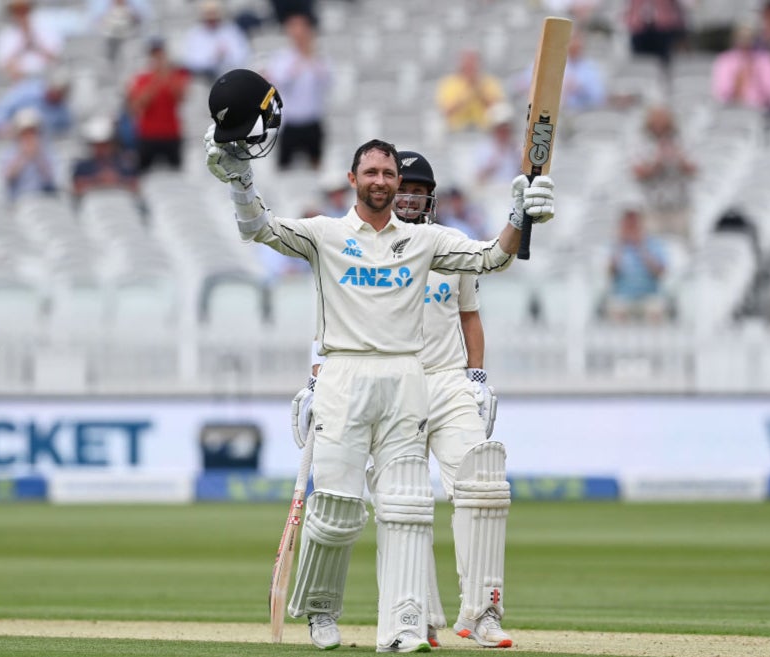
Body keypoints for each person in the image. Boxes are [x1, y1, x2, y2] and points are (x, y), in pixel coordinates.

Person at [204, 68, 555, 653]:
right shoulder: (323, 235)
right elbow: (257, 229)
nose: (382, 180)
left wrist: (520, 216)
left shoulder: (425, 240)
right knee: (338, 508)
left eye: (390, 173)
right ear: (352, 179)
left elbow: (493, 259)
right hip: (344, 374)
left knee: (407, 506)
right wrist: (239, 181)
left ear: (398, 184)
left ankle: (405, 624)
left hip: (405, 375)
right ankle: (321, 612)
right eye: (372, 171)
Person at [291, 150, 513, 649]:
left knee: (482, 483)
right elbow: (336, 316)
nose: (408, 195)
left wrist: (476, 376)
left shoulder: (446, 245)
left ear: (430, 198)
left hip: (447, 378)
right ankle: (418, 616)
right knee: (398, 502)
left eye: (417, 189)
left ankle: (482, 612)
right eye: (401, 185)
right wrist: (317, 379)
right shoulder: (354, 245)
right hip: (385, 379)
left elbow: (470, 314)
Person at [264, 12, 332, 170]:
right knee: (284, 165)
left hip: (313, 119)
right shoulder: (282, 57)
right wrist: (299, 62)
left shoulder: (319, 57)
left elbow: (327, 82)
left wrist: (311, 58)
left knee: (317, 164)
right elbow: (278, 82)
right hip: (290, 121)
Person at [631, 103, 697, 242]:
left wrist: (679, 159)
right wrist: (656, 163)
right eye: (656, 118)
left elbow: (694, 169)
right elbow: (637, 172)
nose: (659, 122)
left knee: (684, 246)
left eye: (663, 118)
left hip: (679, 205)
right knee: (655, 247)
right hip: (653, 207)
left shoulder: (682, 139)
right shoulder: (641, 141)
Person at [126, 36, 191, 173]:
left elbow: (181, 97)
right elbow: (138, 105)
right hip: (148, 135)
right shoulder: (142, 78)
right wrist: (156, 80)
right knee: (143, 173)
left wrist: (167, 76)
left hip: (171, 134)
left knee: (175, 174)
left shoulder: (175, 76)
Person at [602, 203, 669, 323]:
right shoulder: (615, 245)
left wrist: (641, 248)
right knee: (617, 310)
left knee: (655, 310)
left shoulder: (654, 244)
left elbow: (661, 272)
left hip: (649, 294)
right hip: (622, 296)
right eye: (628, 223)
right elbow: (610, 273)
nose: (631, 226)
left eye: (634, 223)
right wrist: (620, 246)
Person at [711, 22, 770, 113]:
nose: (746, 42)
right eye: (742, 38)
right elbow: (721, 94)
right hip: (731, 111)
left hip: (761, 111)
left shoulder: (766, 60)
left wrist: (755, 73)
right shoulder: (725, 60)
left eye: (749, 38)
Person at [71, 114, 141, 206]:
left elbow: (135, 187)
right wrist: (98, 180)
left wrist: (116, 180)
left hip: (120, 205)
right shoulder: (83, 166)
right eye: (97, 145)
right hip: (93, 207)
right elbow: (76, 188)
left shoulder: (124, 163)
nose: (101, 149)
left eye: (104, 145)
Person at [0, 68, 73, 139]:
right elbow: (1, 111)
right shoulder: (27, 91)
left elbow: (66, 129)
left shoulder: (62, 109)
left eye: (62, 92)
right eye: (57, 91)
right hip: (15, 139)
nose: (58, 95)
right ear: (50, 86)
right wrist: (3, 127)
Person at [436, 48, 506, 133]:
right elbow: (446, 112)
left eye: (473, 63)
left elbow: (499, 111)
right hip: (456, 133)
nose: (470, 66)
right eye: (467, 63)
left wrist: (480, 93)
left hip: (485, 132)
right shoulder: (449, 84)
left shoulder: (490, 82)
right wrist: (467, 94)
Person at [0, 107, 59, 204]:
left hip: (44, 201)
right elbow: (7, 178)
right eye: (25, 132)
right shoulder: (9, 153)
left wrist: (38, 156)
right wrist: (23, 156)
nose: (29, 136)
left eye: (32, 132)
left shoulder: (48, 153)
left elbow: (51, 180)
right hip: (18, 201)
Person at [181, 0, 251, 84]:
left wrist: (226, 55)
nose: (212, 18)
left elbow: (242, 55)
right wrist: (213, 58)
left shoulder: (231, 30)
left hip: (231, 77)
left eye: (214, 14)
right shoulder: (195, 34)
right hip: (204, 80)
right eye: (209, 14)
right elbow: (191, 61)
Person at [0, 0, 64, 81]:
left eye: (24, 10)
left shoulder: (46, 29)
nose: (21, 15)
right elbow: (7, 66)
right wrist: (22, 45)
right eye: (17, 11)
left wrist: (35, 44)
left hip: (46, 80)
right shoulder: (7, 36)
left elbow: (55, 59)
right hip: (20, 81)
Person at [473, 102, 521, 185]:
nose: (504, 132)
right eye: (500, 129)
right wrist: (496, 158)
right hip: (490, 192)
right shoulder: (483, 148)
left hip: (513, 191)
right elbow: (478, 179)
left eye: (506, 128)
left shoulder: (518, 148)